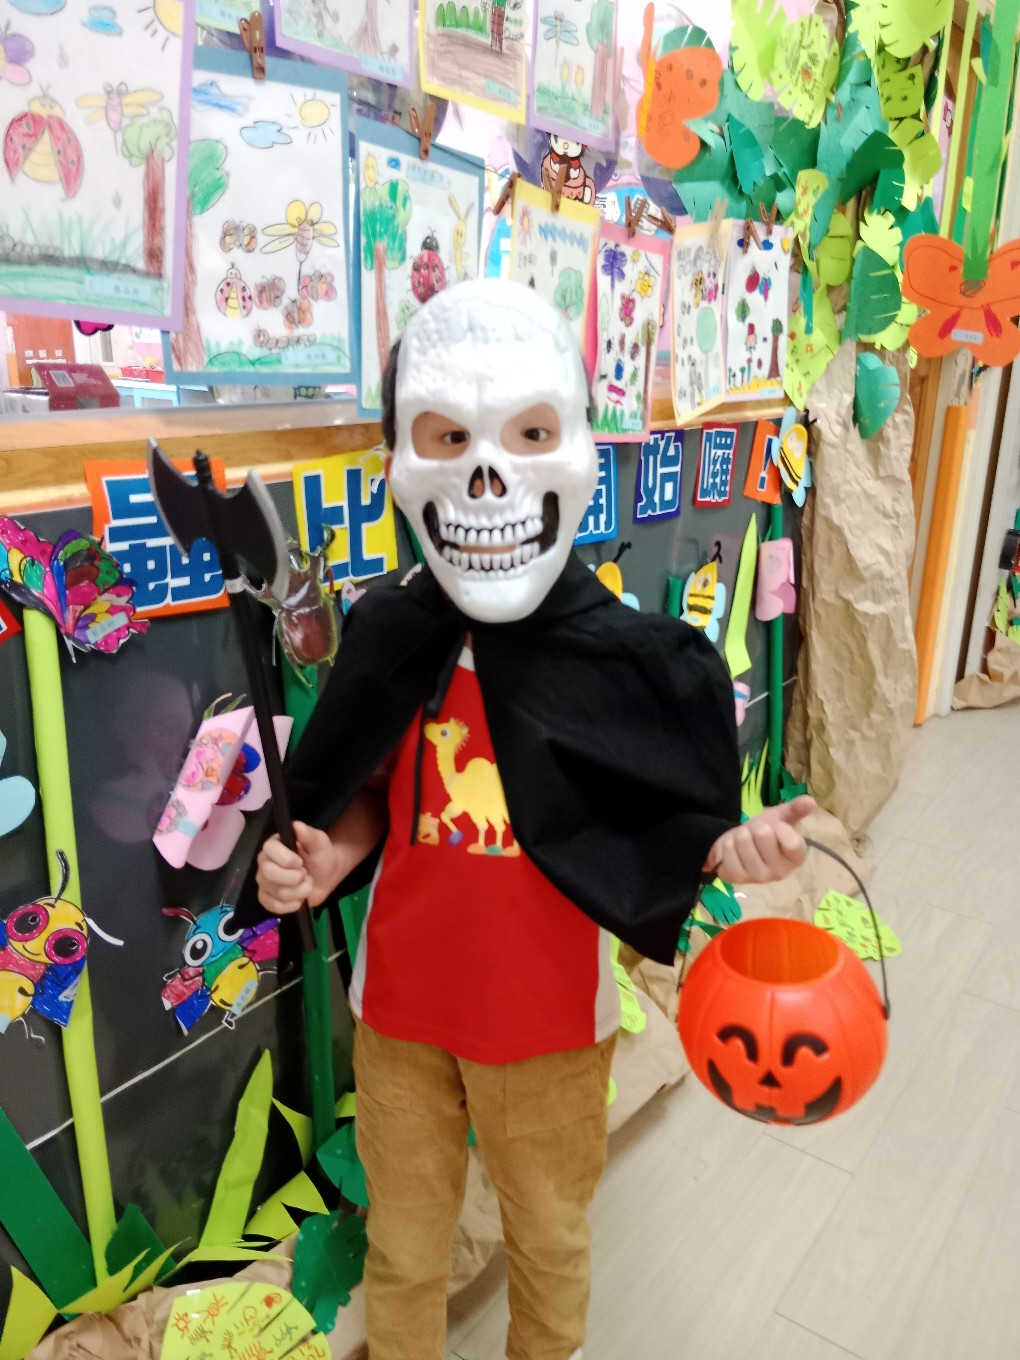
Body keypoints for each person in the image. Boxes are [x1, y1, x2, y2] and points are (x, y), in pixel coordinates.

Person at [254, 280, 814, 1360]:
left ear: (575, 450)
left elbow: (666, 824)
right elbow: (368, 791)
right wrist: (326, 856)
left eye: (528, 434)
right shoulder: (396, 629)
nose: (486, 474)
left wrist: (730, 846)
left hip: (550, 1025)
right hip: (402, 1013)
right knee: (403, 1251)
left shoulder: (619, 658)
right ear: (401, 460)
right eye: (448, 437)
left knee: (549, 1244)